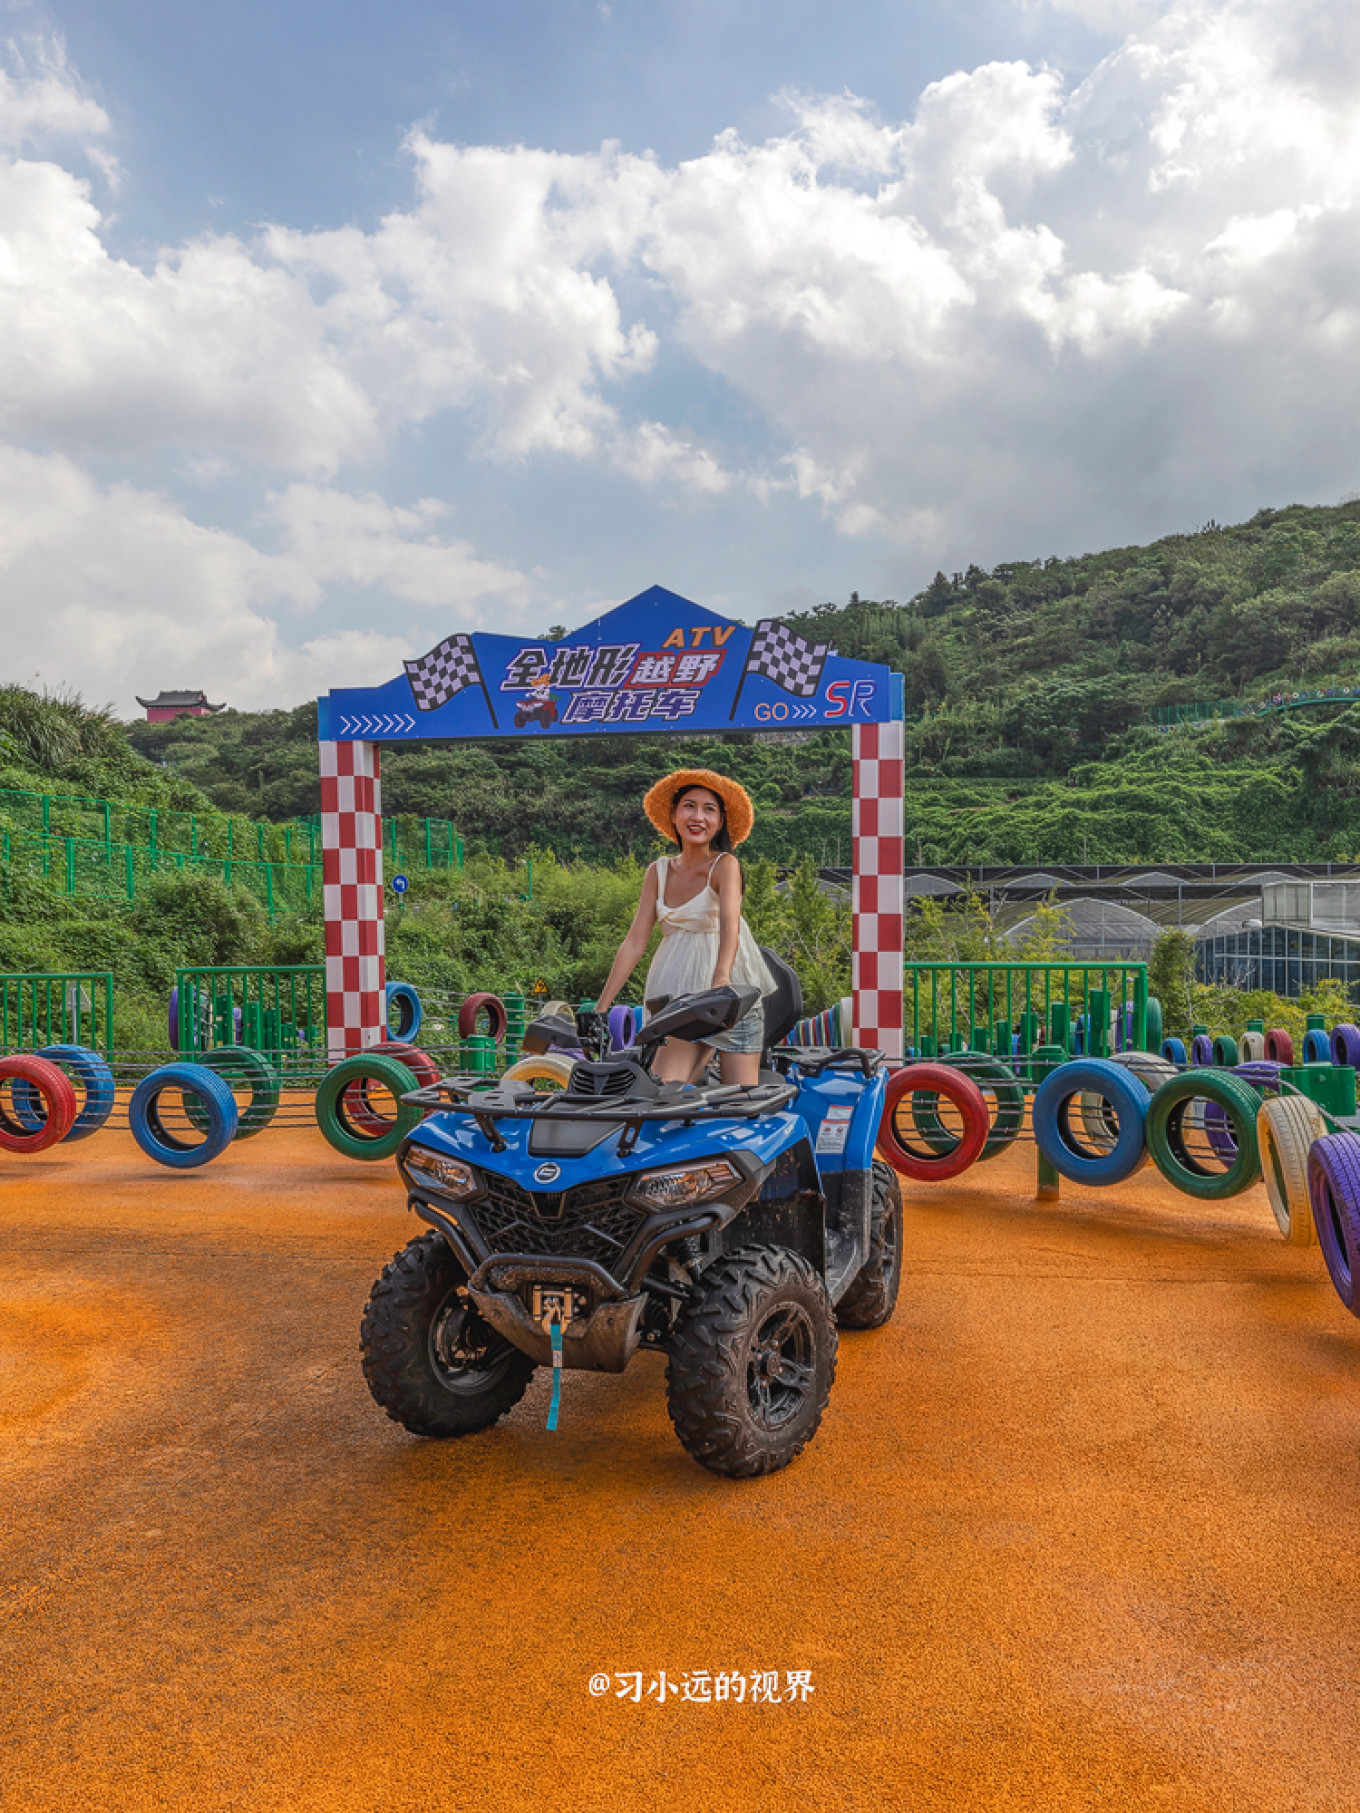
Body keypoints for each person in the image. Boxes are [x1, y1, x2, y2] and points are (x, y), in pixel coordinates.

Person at [595, 768, 773, 1085]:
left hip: (729, 994)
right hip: (677, 997)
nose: (698, 817)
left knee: (739, 1104)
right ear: (674, 815)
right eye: (689, 806)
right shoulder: (658, 871)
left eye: (709, 809)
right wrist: (601, 1006)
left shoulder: (725, 865)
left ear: (720, 821)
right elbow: (635, 942)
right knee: (664, 1093)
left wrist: (721, 979)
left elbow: (730, 926)